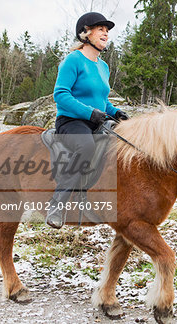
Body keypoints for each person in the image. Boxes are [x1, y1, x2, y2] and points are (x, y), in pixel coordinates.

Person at [46, 12, 129, 229]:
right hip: (71, 121)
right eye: (101, 29)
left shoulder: (103, 66)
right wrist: (90, 113)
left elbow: (102, 100)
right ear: (85, 32)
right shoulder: (73, 60)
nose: (106, 33)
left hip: (96, 121)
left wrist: (116, 112)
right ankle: (57, 204)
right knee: (85, 146)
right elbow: (61, 94)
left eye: (107, 31)